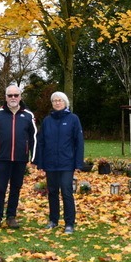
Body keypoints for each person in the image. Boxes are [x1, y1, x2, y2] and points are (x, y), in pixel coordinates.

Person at [0, 85, 37, 229]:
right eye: (10, 95)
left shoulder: (28, 115)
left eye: (16, 95)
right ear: (6, 97)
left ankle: (11, 217)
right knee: (1, 188)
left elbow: (34, 137)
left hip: (20, 159)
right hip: (2, 158)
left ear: (20, 97)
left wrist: (34, 158)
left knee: (16, 188)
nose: (13, 98)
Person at [36, 91, 84, 234]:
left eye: (60, 100)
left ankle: (69, 223)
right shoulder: (47, 121)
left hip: (66, 163)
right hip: (50, 163)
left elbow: (79, 142)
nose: (57, 103)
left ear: (65, 103)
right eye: (54, 101)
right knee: (52, 192)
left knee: (66, 191)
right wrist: (40, 162)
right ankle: (53, 220)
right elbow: (41, 142)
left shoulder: (73, 119)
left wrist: (78, 163)